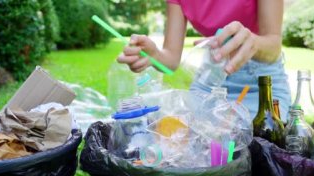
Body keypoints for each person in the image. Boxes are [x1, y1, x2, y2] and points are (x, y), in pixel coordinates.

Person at [117, 0, 291, 121]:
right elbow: (171, 58)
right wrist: (154, 55)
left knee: (262, 150)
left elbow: (274, 45)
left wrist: (253, 42)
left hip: (260, 85)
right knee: (191, 147)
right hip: (210, 78)